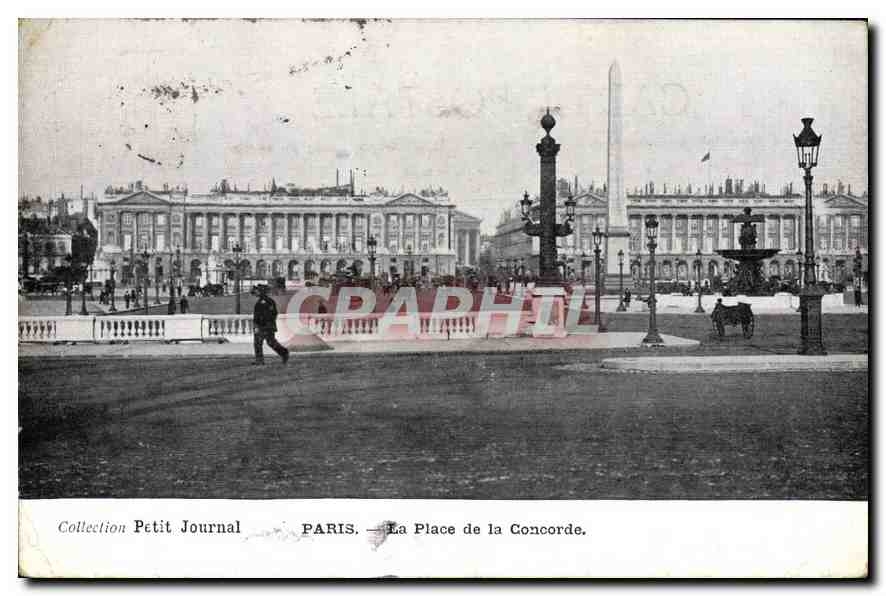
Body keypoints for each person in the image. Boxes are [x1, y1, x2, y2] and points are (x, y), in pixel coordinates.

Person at [252, 285, 289, 365]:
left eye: (258, 291)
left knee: (270, 342)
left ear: (262, 292)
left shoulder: (267, 301)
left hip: (265, 326)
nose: (256, 292)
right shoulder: (262, 301)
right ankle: (260, 360)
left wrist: (263, 323)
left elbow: (273, 314)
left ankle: (284, 353)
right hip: (262, 325)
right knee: (259, 343)